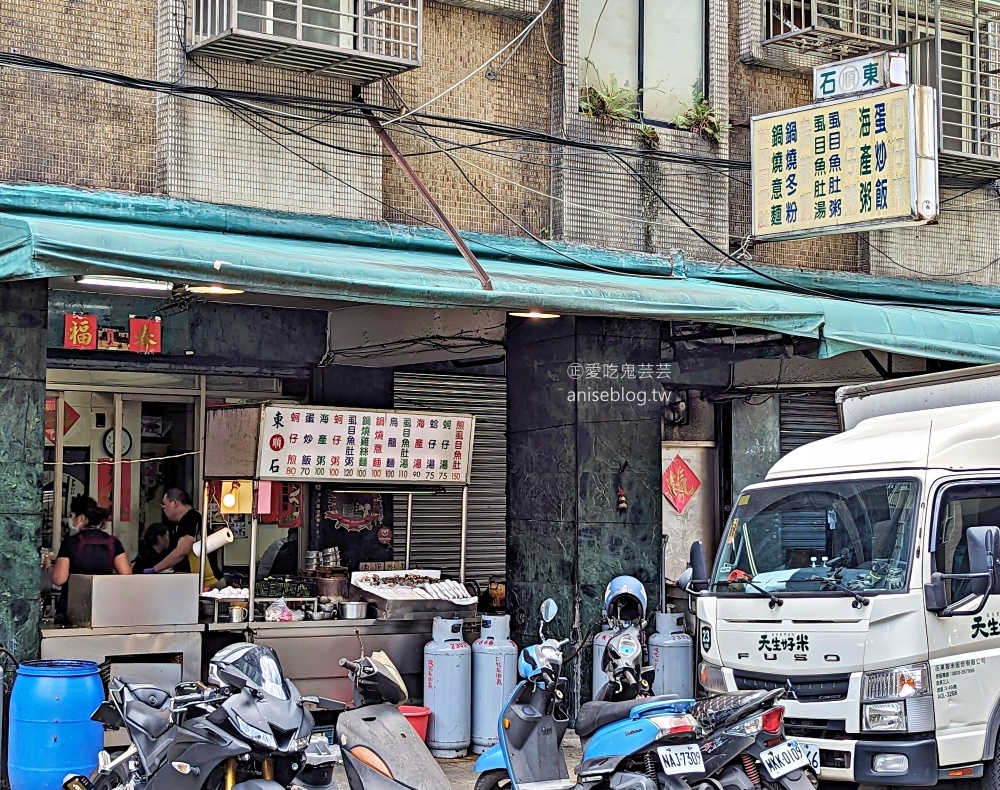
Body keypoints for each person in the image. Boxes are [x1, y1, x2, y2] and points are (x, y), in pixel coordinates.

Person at [50, 495, 132, 622]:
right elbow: (126, 576)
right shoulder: (113, 542)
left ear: (81, 518)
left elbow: (59, 579)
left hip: (72, 612)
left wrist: (49, 567)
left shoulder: (71, 543)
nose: (70, 520)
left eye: (72, 516)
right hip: (104, 612)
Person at [147, 488, 223, 588]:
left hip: (207, 583)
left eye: (164, 505)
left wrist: (156, 569)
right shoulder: (180, 524)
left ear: (174, 503)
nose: (164, 509)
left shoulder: (191, 518)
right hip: (193, 583)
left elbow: (184, 548)